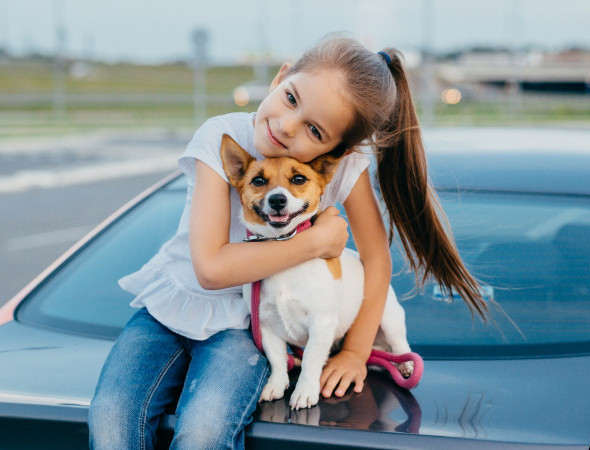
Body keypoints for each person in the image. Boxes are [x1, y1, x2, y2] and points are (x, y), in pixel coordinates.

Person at [88, 36, 487, 449]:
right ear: (281, 77)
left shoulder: (342, 169)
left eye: (315, 130)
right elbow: (210, 269)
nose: (285, 125)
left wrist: (354, 351)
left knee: (204, 432)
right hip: (170, 307)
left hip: (246, 325)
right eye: (291, 98)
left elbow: (376, 259)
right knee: (111, 420)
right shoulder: (222, 136)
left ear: (339, 149)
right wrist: (316, 243)